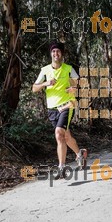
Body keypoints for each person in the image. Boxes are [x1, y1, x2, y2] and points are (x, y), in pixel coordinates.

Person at [32, 41, 87, 178]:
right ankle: (80, 154)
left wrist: (74, 87)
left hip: (67, 105)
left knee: (58, 134)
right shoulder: (45, 70)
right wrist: (46, 83)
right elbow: (34, 88)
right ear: (51, 54)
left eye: (58, 51)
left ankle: (61, 167)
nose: (56, 54)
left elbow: (79, 82)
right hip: (52, 109)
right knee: (66, 137)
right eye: (53, 51)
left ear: (61, 54)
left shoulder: (68, 68)